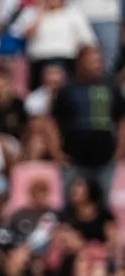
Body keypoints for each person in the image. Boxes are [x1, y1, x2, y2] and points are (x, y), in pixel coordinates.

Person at [52, 44, 124, 201]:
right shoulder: (67, 90)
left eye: (98, 60)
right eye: (91, 60)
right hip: (74, 160)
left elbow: (121, 120)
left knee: (103, 205)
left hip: (105, 159)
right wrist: (57, 153)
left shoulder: (111, 87)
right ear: (80, 62)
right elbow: (52, 123)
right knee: (70, 204)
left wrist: (120, 150)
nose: (96, 64)